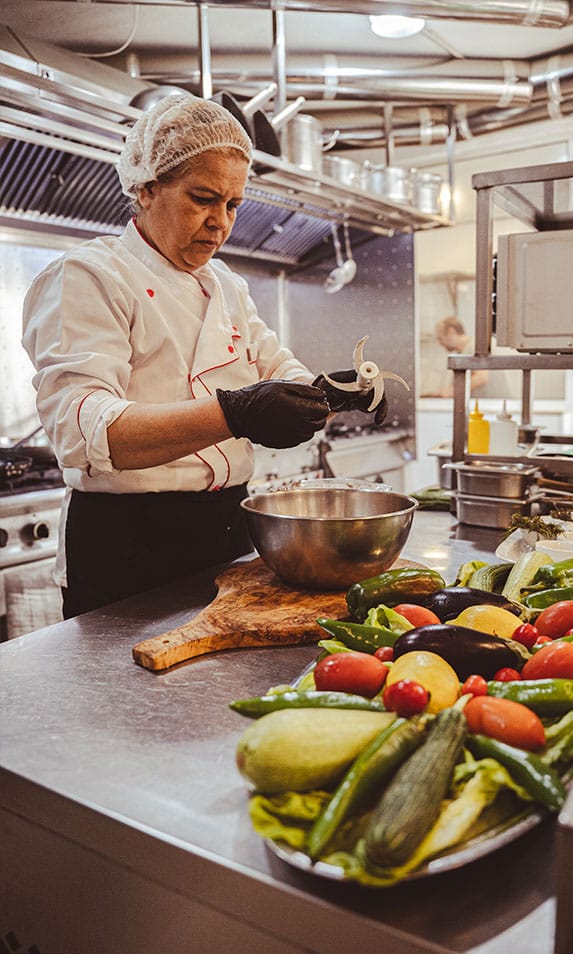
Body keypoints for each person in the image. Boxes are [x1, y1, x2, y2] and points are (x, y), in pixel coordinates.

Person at [22, 93, 386, 619]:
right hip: (128, 542)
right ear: (146, 187)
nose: (221, 223)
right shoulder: (89, 277)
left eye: (233, 204)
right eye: (203, 198)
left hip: (229, 529)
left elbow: (276, 368)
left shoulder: (228, 286)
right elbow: (84, 431)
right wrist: (235, 413)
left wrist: (331, 394)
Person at [434, 315, 489, 397]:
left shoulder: (475, 347)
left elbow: (481, 378)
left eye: (440, 338)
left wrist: (452, 390)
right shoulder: (465, 351)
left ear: (451, 332)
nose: (440, 343)